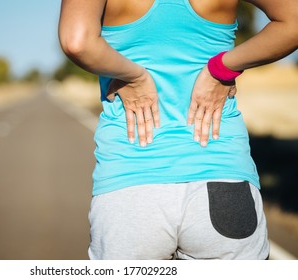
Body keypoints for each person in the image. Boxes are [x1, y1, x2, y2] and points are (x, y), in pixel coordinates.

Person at [58, 0, 298, 260]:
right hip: (222, 175)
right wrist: (223, 67)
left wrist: (134, 76)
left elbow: (77, 41)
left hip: (130, 184)